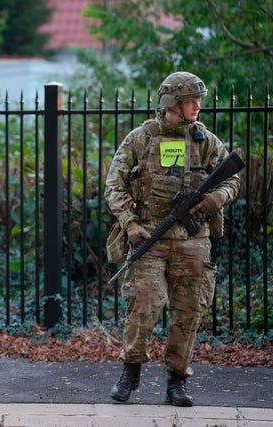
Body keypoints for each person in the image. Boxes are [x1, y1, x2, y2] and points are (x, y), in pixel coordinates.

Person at [104, 71, 240, 406]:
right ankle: (130, 371)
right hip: (150, 234)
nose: (197, 106)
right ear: (171, 104)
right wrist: (131, 224)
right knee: (145, 304)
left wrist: (215, 199)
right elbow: (114, 185)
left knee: (190, 310)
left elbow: (231, 179)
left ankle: (177, 382)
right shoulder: (142, 139)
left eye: (198, 100)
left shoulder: (204, 141)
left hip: (193, 242)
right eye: (191, 101)